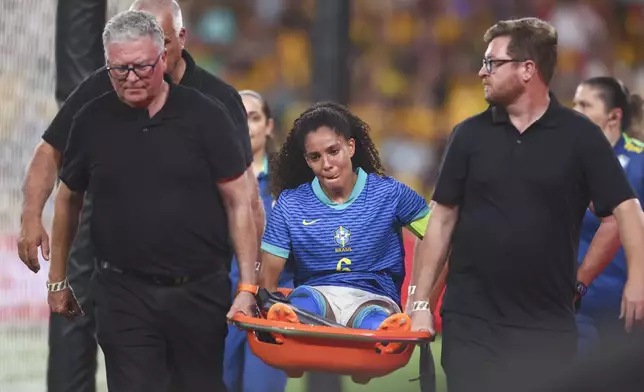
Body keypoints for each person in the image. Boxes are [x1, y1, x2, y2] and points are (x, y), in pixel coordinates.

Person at [16, 1, 265, 391]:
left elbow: (245, 198)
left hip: (200, 286)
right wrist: (32, 218)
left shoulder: (217, 104)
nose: (132, 75)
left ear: (174, 42)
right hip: (123, 288)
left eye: (154, 53)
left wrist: (250, 284)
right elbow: (52, 156)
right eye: (121, 67)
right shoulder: (100, 94)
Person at [407, 17, 644, 392]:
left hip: (546, 327)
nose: (481, 72)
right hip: (471, 324)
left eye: (492, 63)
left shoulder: (580, 136)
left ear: (527, 69)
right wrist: (420, 304)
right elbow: (440, 221)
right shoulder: (467, 135)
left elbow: (626, 210)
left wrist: (635, 279)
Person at [239, 101, 430, 339]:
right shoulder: (290, 204)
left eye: (333, 151)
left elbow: (438, 236)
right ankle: (296, 319)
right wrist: (263, 310)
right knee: (301, 305)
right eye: (315, 157)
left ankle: (378, 331)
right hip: (316, 295)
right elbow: (269, 276)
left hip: (374, 298)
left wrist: (420, 300)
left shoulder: (391, 194)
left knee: (374, 322)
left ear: (350, 147)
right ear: (307, 161)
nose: (327, 164)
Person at [224, 90, 294, 392]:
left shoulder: (292, 183)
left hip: (270, 306)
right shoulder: (211, 177)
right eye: (238, 118)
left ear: (268, 126)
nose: (246, 126)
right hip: (218, 304)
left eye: (253, 117)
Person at [572, 77, 644, 353]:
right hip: (575, 308)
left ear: (614, 116)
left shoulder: (639, 163)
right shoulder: (570, 162)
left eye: (585, 104)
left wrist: (639, 283)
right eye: (575, 102)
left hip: (627, 308)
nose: (575, 109)